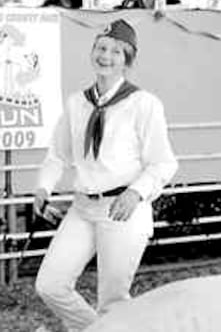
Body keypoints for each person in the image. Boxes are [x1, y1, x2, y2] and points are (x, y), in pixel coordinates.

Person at [33, 19, 178, 332]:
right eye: (101, 47)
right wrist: (43, 188)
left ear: (127, 60)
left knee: (113, 302)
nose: (106, 56)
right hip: (83, 207)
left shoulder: (143, 104)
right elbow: (58, 155)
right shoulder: (77, 103)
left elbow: (164, 163)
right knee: (50, 284)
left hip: (123, 210)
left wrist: (135, 192)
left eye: (116, 51)